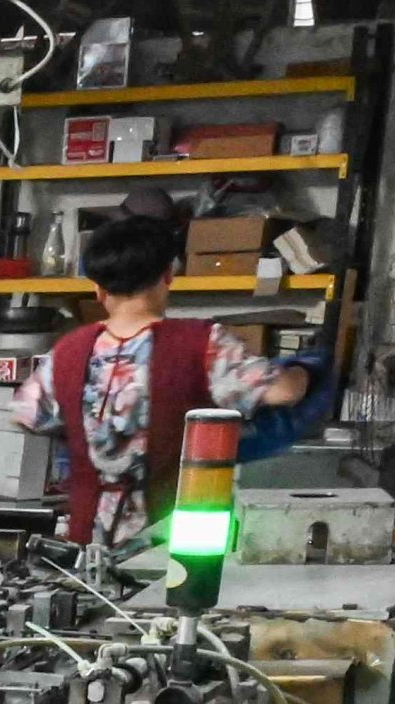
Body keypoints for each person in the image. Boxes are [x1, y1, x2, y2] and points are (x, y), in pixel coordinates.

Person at [16, 213, 318, 546]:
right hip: (175, 541)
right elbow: (283, 391)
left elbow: (29, 415)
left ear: (99, 289)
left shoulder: (68, 351)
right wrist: (305, 370)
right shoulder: (202, 344)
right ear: (168, 275)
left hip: (87, 547)